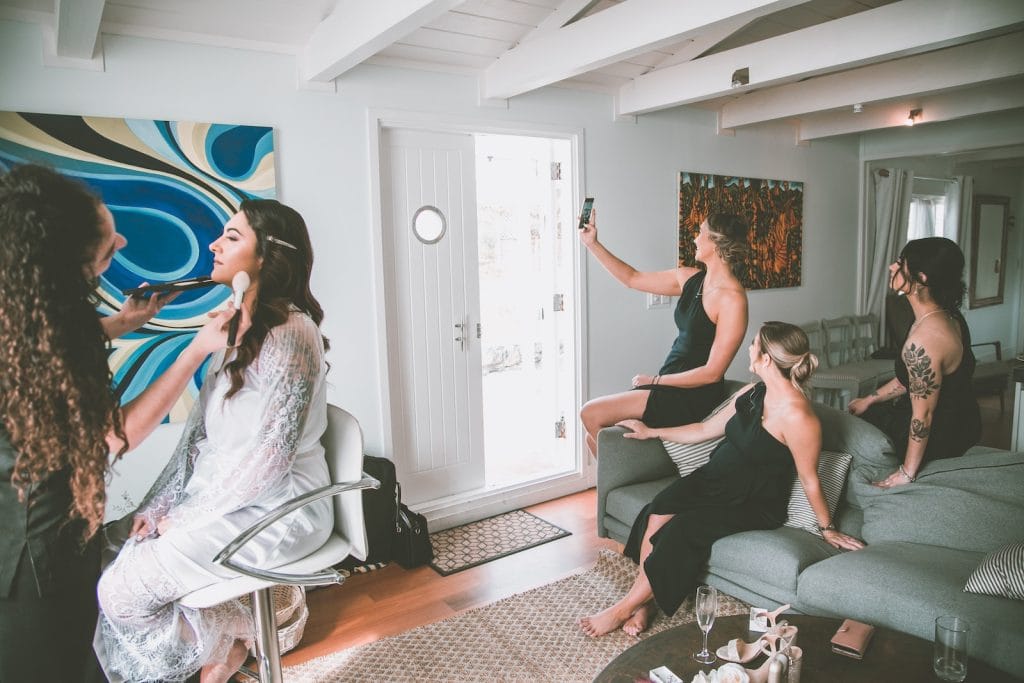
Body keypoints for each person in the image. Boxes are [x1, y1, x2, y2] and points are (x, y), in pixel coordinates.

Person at [0, 164, 235, 682]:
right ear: (68, 266)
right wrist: (194, 350)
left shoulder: (22, 311)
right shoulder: (48, 336)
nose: (123, 239)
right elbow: (116, 435)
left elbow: (52, 337)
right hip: (32, 555)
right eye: (108, 245)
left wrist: (125, 323)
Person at [96, 198, 332, 683]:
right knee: (108, 546)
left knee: (121, 591)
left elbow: (269, 460)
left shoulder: (292, 334)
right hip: (225, 499)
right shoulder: (231, 332)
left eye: (231, 236)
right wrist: (157, 505)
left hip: (281, 507)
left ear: (266, 255)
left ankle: (242, 635)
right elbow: (196, 439)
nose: (213, 243)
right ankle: (227, 646)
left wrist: (181, 517)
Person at [579, 322, 864, 638]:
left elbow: (810, 479)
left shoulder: (799, 417)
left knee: (682, 530)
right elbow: (705, 429)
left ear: (767, 358)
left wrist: (827, 528)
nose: (750, 348)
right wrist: (652, 432)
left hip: (751, 501)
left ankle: (621, 610)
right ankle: (644, 603)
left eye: (754, 344)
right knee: (657, 510)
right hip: (713, 479)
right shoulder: (753, 392)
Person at [578, 211, 750, 457]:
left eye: (700, 232)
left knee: (590, 413)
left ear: (715, 241)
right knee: (594, 436)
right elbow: (632, 278)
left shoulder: (732, 300)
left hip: (693, 395)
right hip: (668, 383)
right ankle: (632, 475)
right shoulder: (690, 278)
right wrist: (592, 244)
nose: (695, 238)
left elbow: (712, 373)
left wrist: (656, 381)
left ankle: (642, 468)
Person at [847, 237, 981, 488]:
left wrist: (906, 473)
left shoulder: (925, 340)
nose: (891, 267)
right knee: (864, 412)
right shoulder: (944, 314)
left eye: (900, 263)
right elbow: (914, 379)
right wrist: (870, 399)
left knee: (849, 433)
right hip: (962, 418)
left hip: (944, 433)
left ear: (921, 278)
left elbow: (924, 415)